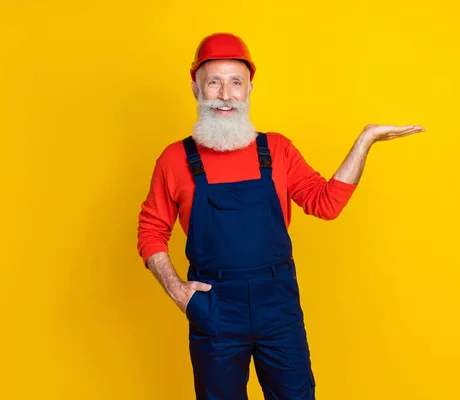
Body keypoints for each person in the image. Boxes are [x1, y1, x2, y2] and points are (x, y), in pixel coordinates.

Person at [137, 32, 424, 400]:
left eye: (236, 83)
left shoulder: (277, 150)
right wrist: (178, 290)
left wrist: (364, 141)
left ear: (249, 89)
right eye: (214, 82)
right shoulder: (175, 160)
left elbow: (326, 203)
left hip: (278, 304)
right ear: (196, 89)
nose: (226, 95)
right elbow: (151, 230)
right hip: (214, 307)